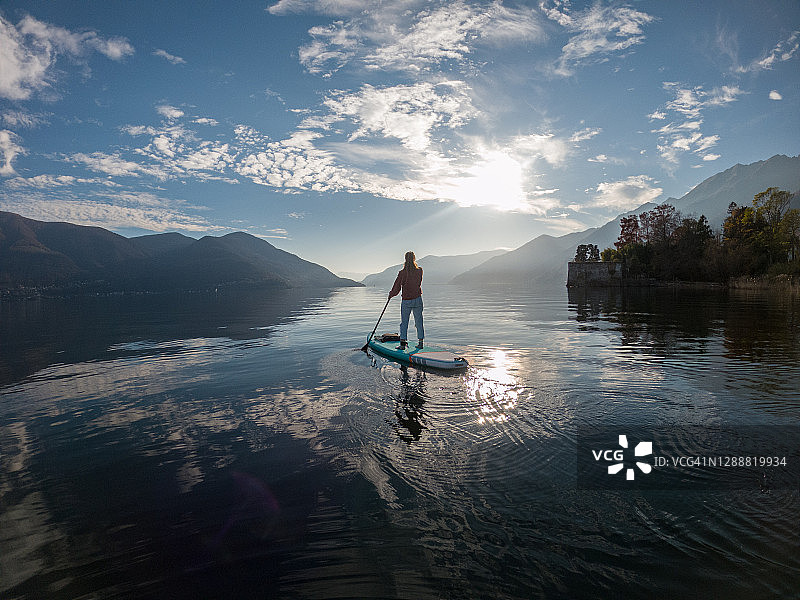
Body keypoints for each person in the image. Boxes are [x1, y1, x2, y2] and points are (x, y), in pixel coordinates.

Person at [388, 251, 424, 350]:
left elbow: (396, 287)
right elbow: (418, 282)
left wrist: (391, 295)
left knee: (404, 323)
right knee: (419, 321)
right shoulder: (420, 271)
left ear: (405, 259)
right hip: (417, 299)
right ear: (414, 258)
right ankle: (420, 343)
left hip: (407, 301)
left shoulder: (402, 273)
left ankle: (402, 345)